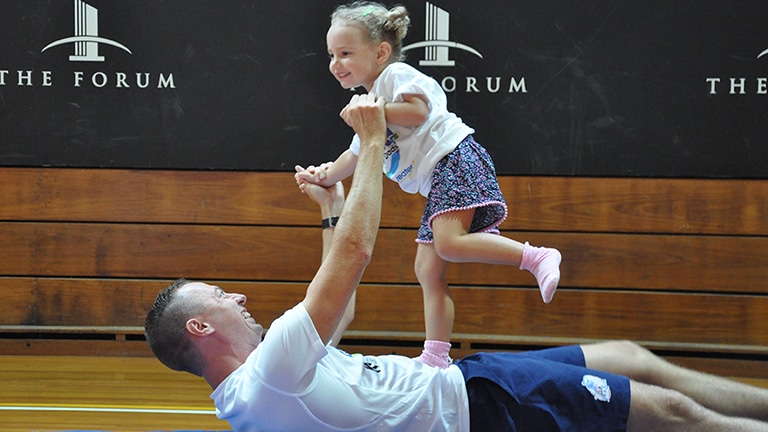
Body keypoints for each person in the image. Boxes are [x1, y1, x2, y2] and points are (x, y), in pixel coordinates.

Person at [145, 93, 768, 431]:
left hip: (468, 382)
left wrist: (330, 207)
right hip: (482, 408)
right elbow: (357, 258)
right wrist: (368, 147)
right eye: (221, 296)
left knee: (629, 357)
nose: (238, 298)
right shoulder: (273, 372)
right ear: (200, 328)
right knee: (671, 414)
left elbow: (341, 304)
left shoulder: (258, 390)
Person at [294, 1, 561, 369]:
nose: (335, 64)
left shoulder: (393, 76)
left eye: (345, 53)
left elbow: (418, 110)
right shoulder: (370, 105)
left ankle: (537, 257)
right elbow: (352, 159)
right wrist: (320, 176)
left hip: (456, 157)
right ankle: (435, 357)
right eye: (331, 55)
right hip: (440, 179)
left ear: (381, 52)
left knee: (448, 245)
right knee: (427, 269)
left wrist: (374, 113)